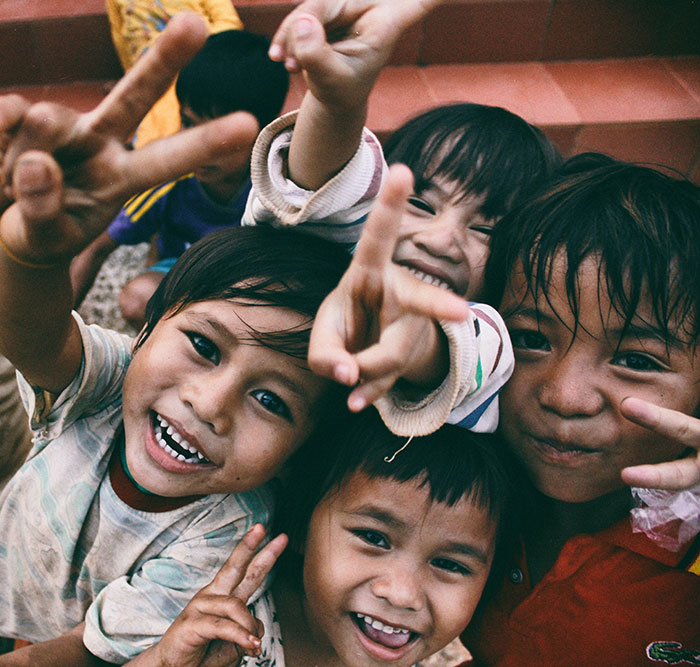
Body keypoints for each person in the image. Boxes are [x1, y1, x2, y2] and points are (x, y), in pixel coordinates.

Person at [243, 0, 561, 434]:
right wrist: (336, 103)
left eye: (487, 229)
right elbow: (321, 183)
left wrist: (415, 339)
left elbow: (468, 351)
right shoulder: (339, 239)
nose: (440, 239)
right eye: (421, 204)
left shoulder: (491, 338)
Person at [126, 407, 520, 666]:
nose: (401, 594)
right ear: (300, 523)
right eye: (374, 538)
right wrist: (163, 661)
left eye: (449, 564)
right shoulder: (211, 621)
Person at [71, 29, 290, 328]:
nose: (201, 145)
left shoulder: (279, 183)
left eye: (221, 134)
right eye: (188, 123)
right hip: (182, 277)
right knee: (137, 298)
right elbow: (96, 246)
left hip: (247, 286)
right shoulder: (169, 179)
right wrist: (52, 333)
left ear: (263, 132)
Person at [106, 0, 244, 148]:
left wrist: (181, 42)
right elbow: (121, 39)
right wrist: (130, 76)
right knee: (154, 126)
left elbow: (230, 23)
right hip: (150, 69)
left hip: (194, 58)